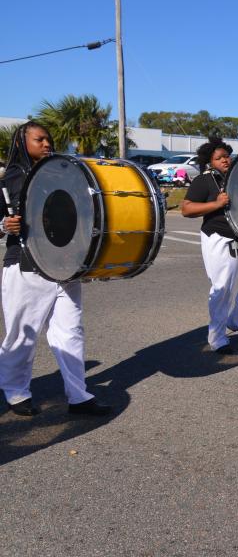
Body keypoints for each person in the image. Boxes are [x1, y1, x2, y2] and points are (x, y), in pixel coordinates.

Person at [0, 122, 110, 417]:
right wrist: (3, 225)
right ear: (23, 143)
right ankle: (16, 392)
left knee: (70, 331)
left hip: (64, 267)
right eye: (40, 139)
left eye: (49, 139)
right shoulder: (9, 180)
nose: (47, 144)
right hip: (26, 266)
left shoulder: (63, 173)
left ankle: (78, 396)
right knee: (22, 335)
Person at [181, 136, 238, 354]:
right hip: (220, 237)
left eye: (226, 156)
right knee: (222, 290)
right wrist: (216, 203)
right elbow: (186, 208)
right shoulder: (204, 181)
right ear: (210, 161)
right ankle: (217, 337)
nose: (225, 160)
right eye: (219, 158)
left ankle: (237, 320)